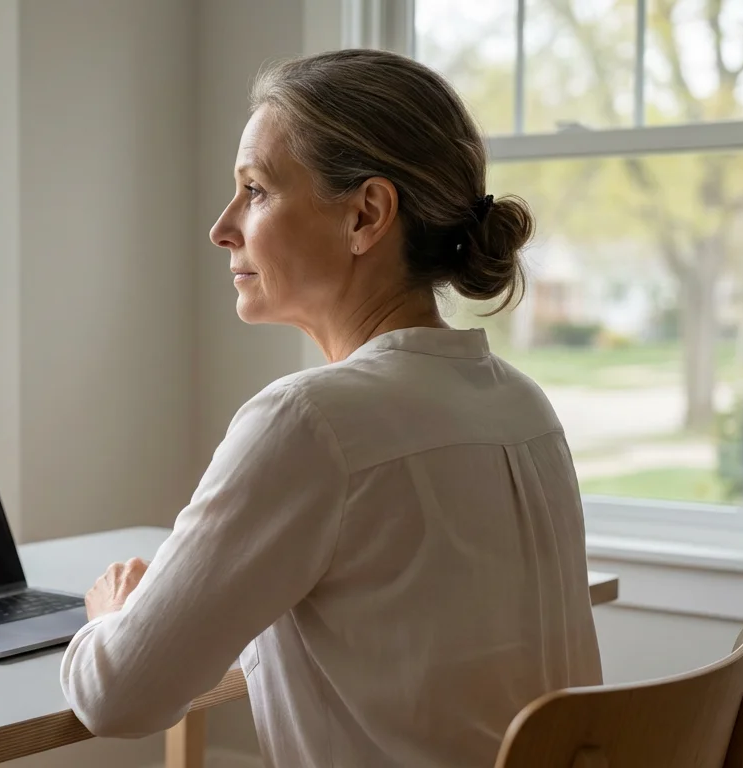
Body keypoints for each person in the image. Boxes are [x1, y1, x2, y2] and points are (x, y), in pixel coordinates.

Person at [60, 49, 602, 767]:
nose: (223, 228)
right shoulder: (521, 405)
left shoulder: (309, 423)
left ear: (366, 214)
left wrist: (114, 616)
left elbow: (118, 696)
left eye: (254, 190)